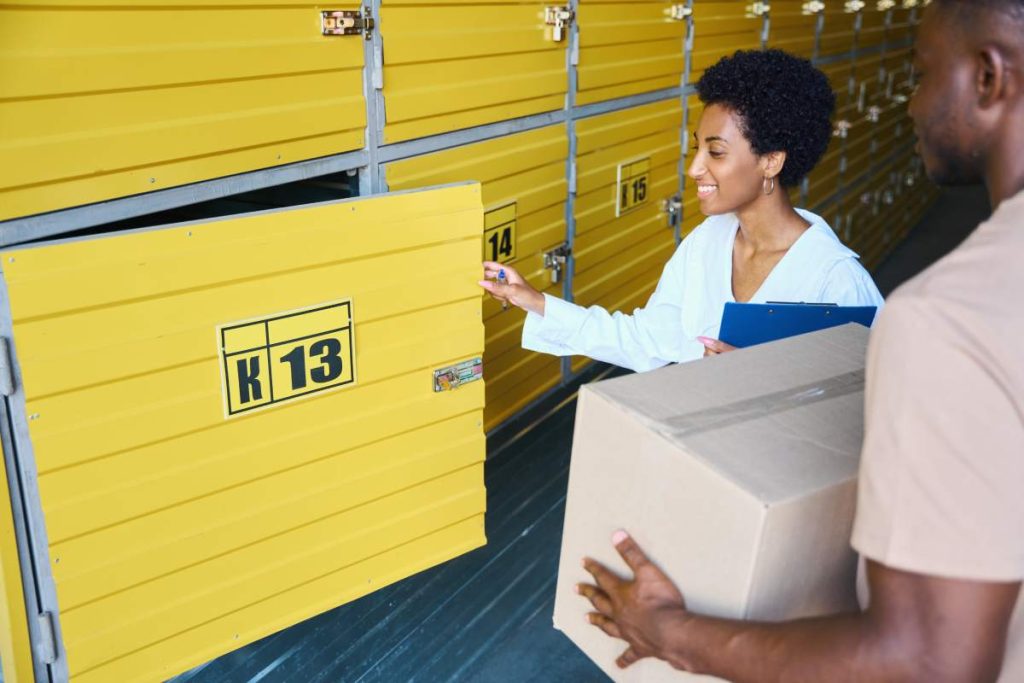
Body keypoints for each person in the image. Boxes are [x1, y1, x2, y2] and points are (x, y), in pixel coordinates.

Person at [577, 0, 1024, 680]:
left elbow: (928, 658)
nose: (908, 105)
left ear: (989, 79)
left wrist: (670, 632)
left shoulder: (938, 318)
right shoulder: (706, 245)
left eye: (922, 72)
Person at [479, 49, 883, 370]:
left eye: (716, 152)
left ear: (771, 162)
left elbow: (880, 397)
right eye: (697, 147)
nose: (694, 168)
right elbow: (646, 339)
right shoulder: (707, 243)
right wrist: (533, 300)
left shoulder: (835, 278)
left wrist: (765, 376)